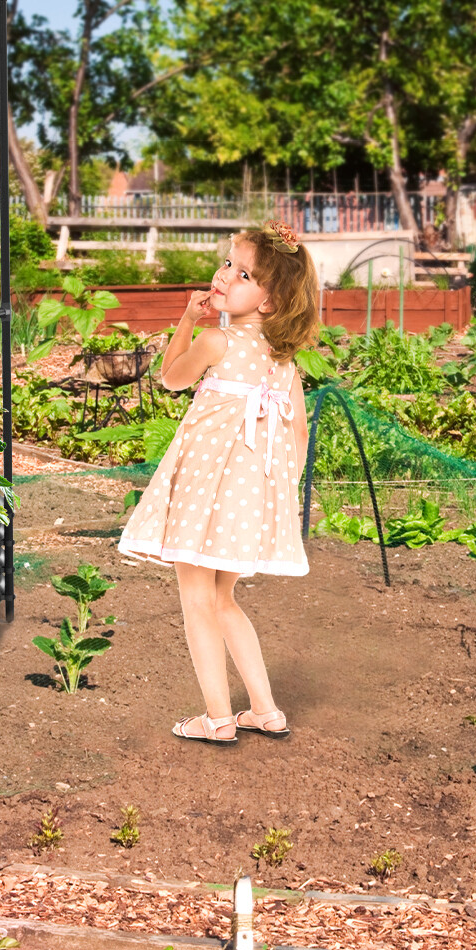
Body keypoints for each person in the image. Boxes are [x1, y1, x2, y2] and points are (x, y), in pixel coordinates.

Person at [118, 222, 319, 745]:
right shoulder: (283, 362)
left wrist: (186, 318)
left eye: (244, 273)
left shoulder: (215, 339)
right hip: (247, 499)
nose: (226, 274)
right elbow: (296, 432)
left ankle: (218, 718)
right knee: (224, 600)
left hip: (203, 491)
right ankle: (266, 710)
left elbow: (170, 377)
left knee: (196, 602)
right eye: (229, 262)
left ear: (270, 302)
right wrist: (278, 494)